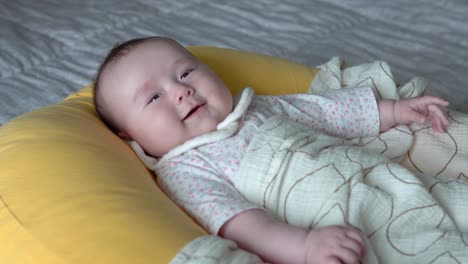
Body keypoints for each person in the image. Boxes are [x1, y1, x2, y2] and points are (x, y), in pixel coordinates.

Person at [93, 36, 452, 264]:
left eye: (186, 73)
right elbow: (244, 226)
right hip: (335, 220)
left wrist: (393, 111)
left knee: (446, 204)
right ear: (130, 137)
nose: (180, 91)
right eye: (154, 97)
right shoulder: (185, 170)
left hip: (382, 180)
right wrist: (306, 247)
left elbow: (327, 112)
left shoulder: (257, 108)